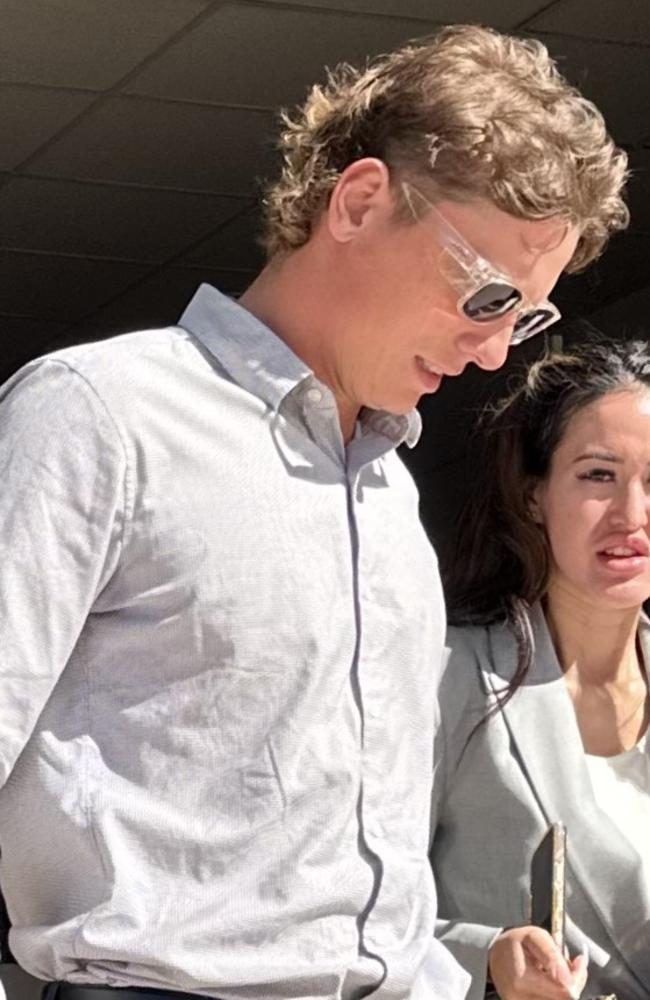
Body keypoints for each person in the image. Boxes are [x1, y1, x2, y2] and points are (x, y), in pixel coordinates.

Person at [0, 23, 627, 1000]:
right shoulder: (98, 414)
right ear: (361, 200)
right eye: (488, 292)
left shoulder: (384, 494)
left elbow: (361, 879)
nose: (495, 351)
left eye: (524, 317)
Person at [433, 339, 650, 1000]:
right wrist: (487, 962)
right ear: (534, 496)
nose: (633, 515)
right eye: (597, 475)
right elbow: (347, 906)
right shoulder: (450, 675)